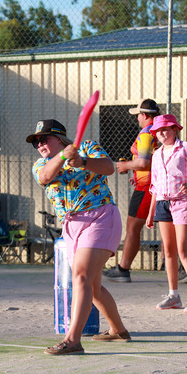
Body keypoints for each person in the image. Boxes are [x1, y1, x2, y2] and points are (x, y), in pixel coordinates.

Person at [29, 119, 130, 355]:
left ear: (59, 138)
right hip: (71, 226)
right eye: (36, 142)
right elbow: (45, 177)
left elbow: (109, 167)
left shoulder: (87, 147)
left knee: (81, 275)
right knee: (92, 287)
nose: (40, 145)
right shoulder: (40, 164)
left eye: (44, 139)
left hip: (100, 216)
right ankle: (118, 330)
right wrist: (63, 157)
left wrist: (83, 161)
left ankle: (72, 340)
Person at [145, 114, 187, 314]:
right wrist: (150, 213)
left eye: (165, 129)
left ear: (175, 130)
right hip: (163, 203)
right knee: (168, 251)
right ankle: (173, 295)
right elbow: (155, 185)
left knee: (183, 250)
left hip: (184, 202)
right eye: (158, 131)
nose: (161, 133)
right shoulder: (156, 154)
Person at [102, 98, 160, 283]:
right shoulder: (161, 131)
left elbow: (143, 162)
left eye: (138, 115)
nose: (137, 119)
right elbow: (152, 161)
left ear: (145, 115)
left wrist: (126, 165)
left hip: (146, 188)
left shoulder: (146, 133)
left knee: (133, 228)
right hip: (155, 184)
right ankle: (184, 268)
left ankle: (123, 269)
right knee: (171, 228)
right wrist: (136, 173)